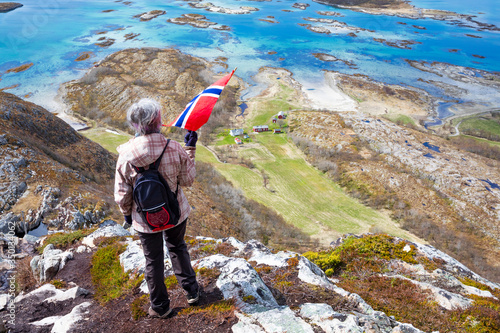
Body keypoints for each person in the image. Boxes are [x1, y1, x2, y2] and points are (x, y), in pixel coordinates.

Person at [114, 98, 199, 319]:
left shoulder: (125, 156)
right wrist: (190, 147)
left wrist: (127, 215)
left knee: (153, 259)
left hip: (144, 219)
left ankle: (160, 306)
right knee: (177, 247)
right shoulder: (173, 147)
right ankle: (192, 292)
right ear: (157, 120)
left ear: (135, 124)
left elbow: (122, 195)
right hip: (175, 212)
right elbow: (188, 179)